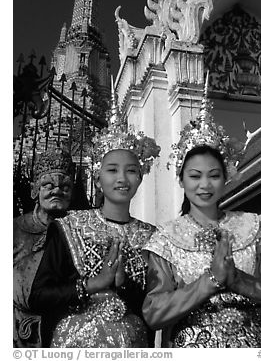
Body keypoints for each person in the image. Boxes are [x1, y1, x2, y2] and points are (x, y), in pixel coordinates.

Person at [142, 88, 261, 348]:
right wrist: (209, 281)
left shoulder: (251, 226)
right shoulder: (166, 238)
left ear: (226, 178)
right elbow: (153, 312)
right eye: (194, 176)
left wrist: (238, 279)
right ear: (181, 179)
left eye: (214, 175)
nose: (205, 185)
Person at [29, 95, 160, 348]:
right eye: (112, 170)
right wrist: (91, 285)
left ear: (140, 178)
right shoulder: (69, 226)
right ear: (97, 178)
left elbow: (154, 307)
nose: (122, 178)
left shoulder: (152, 237)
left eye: (131, 170)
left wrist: (124, 285)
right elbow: (38, 296)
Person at [13, 147, 75, 347]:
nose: (57, 191)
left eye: (65, 187)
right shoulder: (13, 229)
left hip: (66, 329)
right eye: (49, 185)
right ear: (34, 189)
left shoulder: (78, 231)